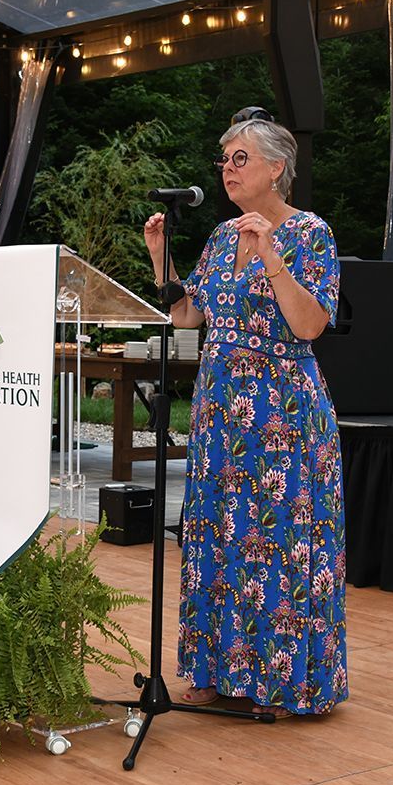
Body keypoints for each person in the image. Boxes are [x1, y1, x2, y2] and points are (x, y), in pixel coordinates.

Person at [144, 110, 347, 719]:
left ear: (276, 168)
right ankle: (215, 670)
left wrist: (272, 256)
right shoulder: (219, 236)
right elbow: (187, 317)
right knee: (216, 536)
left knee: (279, 542)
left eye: (240, 158)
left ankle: (283, 683)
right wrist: (162, 262)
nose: (228, 169)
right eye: (224, 160)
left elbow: (311, 324)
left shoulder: (311, 233)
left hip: (282, 414)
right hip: (221, 413)